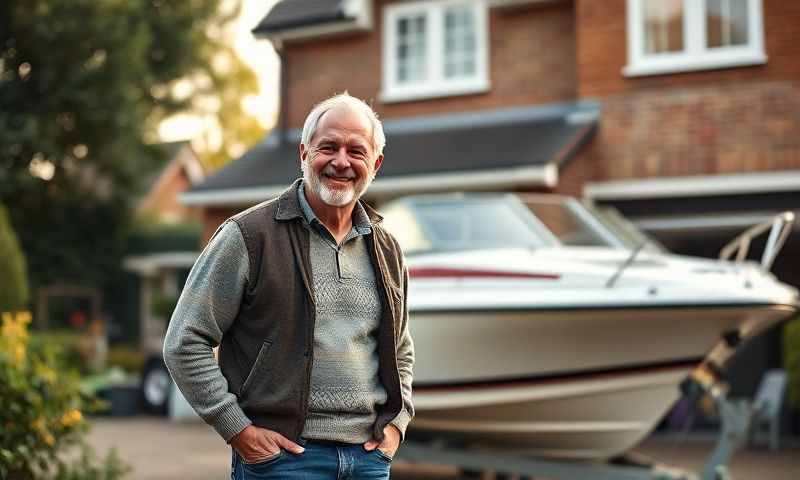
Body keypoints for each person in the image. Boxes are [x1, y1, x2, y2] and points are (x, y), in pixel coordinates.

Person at [163, 93, 414, 480]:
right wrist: (238, 429)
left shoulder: (386, 249)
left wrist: (397, 423)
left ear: (375, 164)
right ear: (304, 152)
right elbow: (184, 342)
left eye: (356, 151)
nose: (341, 161)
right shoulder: (248, 236)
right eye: (328, 147)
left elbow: (400, 350)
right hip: (284, 461)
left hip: (367, 461)